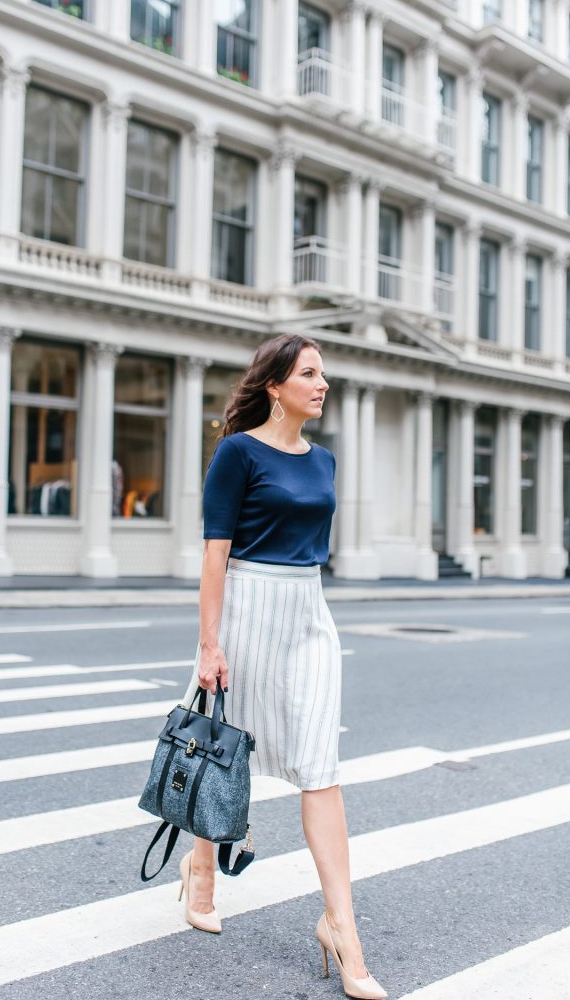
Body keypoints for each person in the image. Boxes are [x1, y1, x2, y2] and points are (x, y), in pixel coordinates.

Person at [178, 334, 387, 999]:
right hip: (245, 609)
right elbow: (216, 553)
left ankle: (342, 928)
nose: (323, 383)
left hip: (307, 613)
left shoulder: (324, 461)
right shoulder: (237, 454)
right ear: (275, 384)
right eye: (309, 372)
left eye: (323, 373)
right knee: (222, 752)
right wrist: (210, 644)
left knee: (319, 767)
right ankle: (201, 869)